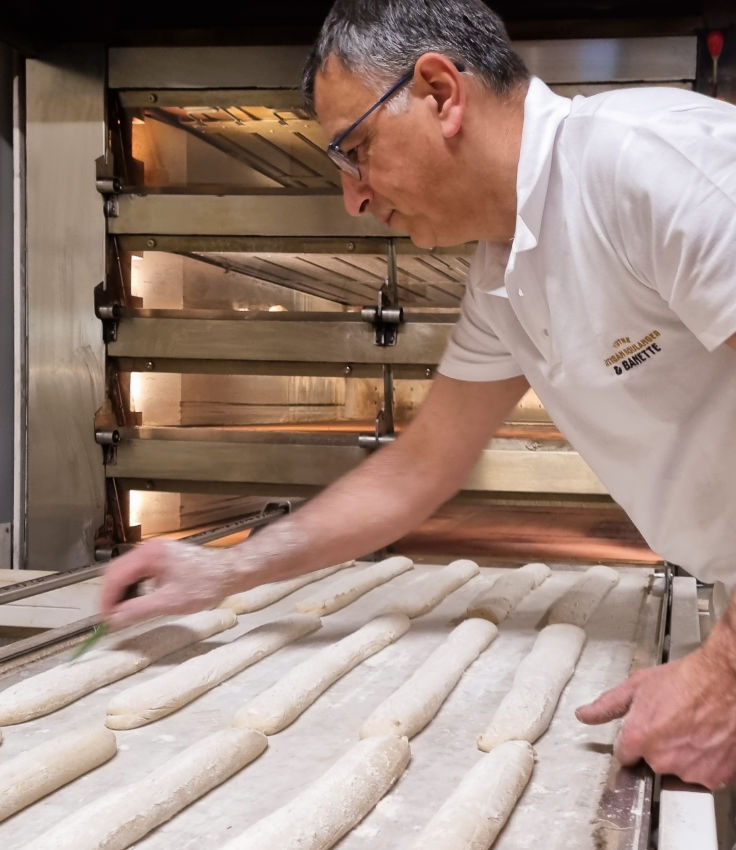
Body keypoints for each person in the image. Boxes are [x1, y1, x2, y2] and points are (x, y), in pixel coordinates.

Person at [101, 0, 736, 792]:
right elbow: (418, 469)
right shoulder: (506, 273)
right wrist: (224, 573)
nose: (353, 197)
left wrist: (728, 673)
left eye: (356, 149)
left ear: (440, 92)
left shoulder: (650, 167)